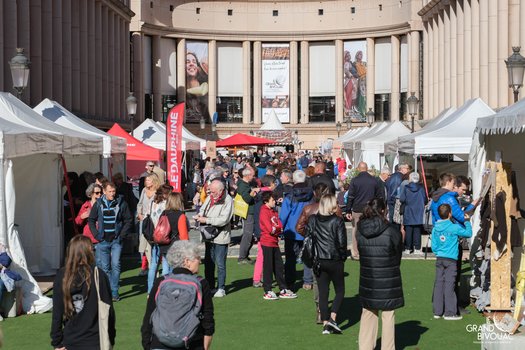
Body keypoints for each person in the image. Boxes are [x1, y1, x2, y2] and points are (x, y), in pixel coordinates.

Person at [141, 240, 214, 350]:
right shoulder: (201, 283)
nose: (199, 261)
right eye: (197, 258)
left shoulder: (160, 281)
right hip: (191, 342)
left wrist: (147, 345)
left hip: (159, 342)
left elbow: (149, 316)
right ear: (187, 261)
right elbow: (207, 320)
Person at [51, 235, 116, 349]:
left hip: (71, 340)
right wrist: (111, 338)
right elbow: (109, 311)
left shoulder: (62, 275)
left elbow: (57, 313)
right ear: (89, 252)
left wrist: (57, 342)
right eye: (92, 249)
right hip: (95, 341)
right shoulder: (99, 275)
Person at [357, 198, 404, 350]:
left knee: (368, 313)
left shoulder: (361, 229)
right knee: (388, 315)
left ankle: (365, 347)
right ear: (383, 210)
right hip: (387, 277)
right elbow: (397, 255)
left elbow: (361, 251)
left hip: (369, 276)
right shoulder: (391, 230)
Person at [305, 194, 347, 334]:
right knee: (340, 290)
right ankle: (332, 318)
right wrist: (342, 258)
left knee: (323, 293)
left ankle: (325, 323)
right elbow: (342, 243)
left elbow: (309, 237)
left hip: (319, 260)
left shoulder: (312, 220)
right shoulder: (337, 221)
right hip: (334, 260)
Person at [88, 182, 133, 301]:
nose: (112, 194)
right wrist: (96, 235)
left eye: (114, 191)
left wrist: (121, 235)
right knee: (105, 267)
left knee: (116, 265)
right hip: (102, 240)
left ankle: (114, 292)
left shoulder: (121, 203)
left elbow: (128, 219)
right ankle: (108, 290)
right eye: (110, 192)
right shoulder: (98, 204)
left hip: (116, 240)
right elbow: (91, 220)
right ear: (104, 191)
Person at [431, 204, 472, 320]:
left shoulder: (435, 228)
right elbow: (468, 233)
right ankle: (450, 312)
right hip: (451, 260)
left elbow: (433, 246)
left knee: (439, 284)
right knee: (450, 284)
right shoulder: (453, 227)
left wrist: (439, 251)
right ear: (450, 214)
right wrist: (467, 221)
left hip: (440, 258)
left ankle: (437, 312)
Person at [196, 179, 234, 298]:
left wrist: (206, 220)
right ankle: (210, 287)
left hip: (221, 236)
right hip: (209, 235)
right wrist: (200, 215)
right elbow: (203, 208)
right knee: (208, 262)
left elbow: (224, 219)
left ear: (220, 190)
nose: (210, 193)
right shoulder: (210, 197)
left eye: (213, 191)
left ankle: (221, 288)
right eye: (210, 191)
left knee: (220, 263)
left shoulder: (228, 200)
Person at [259, 191, 297, 300]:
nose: (274, 201)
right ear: (266, 201)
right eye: (272, 200)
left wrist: (277, 230)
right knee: (268, 266)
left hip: (274, 242)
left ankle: (283, 288)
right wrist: (276, 230)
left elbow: (280, 226)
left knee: (279, 266)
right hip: (267, 242)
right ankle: (268, 290)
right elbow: (270, 229)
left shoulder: (273, 211)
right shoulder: (264, 211)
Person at [147, 185, 185, 294]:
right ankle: (168, 290)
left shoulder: (152, 203)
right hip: (168, 238)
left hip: (156, 236)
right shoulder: (167, 208)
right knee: (167, 267)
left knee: (154, 264)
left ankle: (150, 290)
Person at [280, 170, 314, 290]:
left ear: (293, 180)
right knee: (308, 256)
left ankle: (290, 281)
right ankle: (308, 281)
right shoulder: (312, 195)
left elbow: (284, 215)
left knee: (290, 258)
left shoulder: (290, 196)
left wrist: (280, 228)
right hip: (307, 228)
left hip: (292, 230)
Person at [346, 162, 384, 260]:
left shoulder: (355, 180)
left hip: (357, 208)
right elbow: (379, 196)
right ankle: (369, 251)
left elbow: (350, 196)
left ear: (358, 169)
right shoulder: (374, 180)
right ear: (366, 169)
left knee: (356, 230)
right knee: (371, 229)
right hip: (370, 209)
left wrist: (348, 210)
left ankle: (356, 253)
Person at [252, 175, 278, 288]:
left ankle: (259, 277)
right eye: (274, 183)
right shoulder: (265, 198)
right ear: (270, 184)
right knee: (263, 255)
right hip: (264, 231)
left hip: (260, 230)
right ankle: (258, 278)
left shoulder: (258, 195)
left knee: (262, 255)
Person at [137, 173, 161, 276]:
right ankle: (150, 266)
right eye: (146, 180)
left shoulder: (158, 193)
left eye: (148, 180)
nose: (146, 182)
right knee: (145, 245)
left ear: (154, 181)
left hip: (154, 221)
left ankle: (154, 266)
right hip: (144, 221)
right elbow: (140, 203)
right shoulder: (143, 190)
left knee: (154, 244)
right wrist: (139, 214)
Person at [400, 172, 428, 255]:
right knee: (417, 230)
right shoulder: (422, 188)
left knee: (408, 230)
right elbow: (425, 200)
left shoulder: (406, 188)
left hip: (409, 210)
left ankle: (408, 248)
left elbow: (402, 199)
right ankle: (417, 248)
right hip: (418, 211)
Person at [237, 167, 260, 264]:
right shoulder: (243, 185)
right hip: (248, 212)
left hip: (250, 211)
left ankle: (245, 255)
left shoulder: (245, 184)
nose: (253, 177)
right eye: (252, 175)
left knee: (250, 234)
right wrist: (253, 192)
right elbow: (247, 198)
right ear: (247, 176)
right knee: (248, 234)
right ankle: (242, 257)